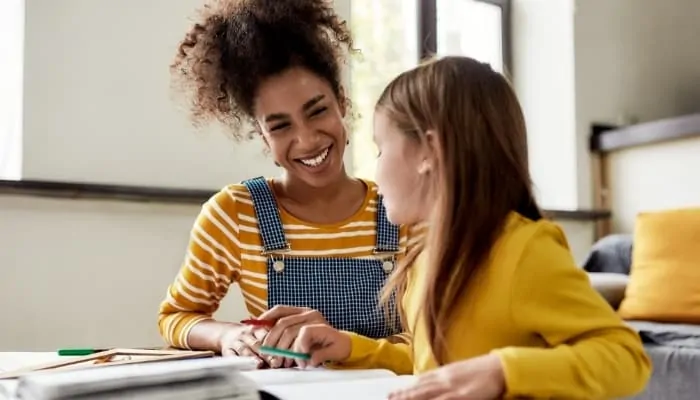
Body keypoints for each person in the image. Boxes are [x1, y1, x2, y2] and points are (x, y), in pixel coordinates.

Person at [291, 56, 652, 399]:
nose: (376, 169)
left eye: (381, 148)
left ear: (428, 151)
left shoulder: (523, 249)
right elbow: (434, 366)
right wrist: (352, 347)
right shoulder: (421, 255)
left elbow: (627, 358)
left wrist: (501, 371)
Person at [157, 0, 416, 370]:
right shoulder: (233, 214)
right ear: (263, 136)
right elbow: (176, 317)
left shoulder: (403, 212)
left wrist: (349, 345)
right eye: (280, 126)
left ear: (342, 102)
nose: (307, 140)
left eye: (318, 111)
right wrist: (227, 335)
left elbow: (433, 342)